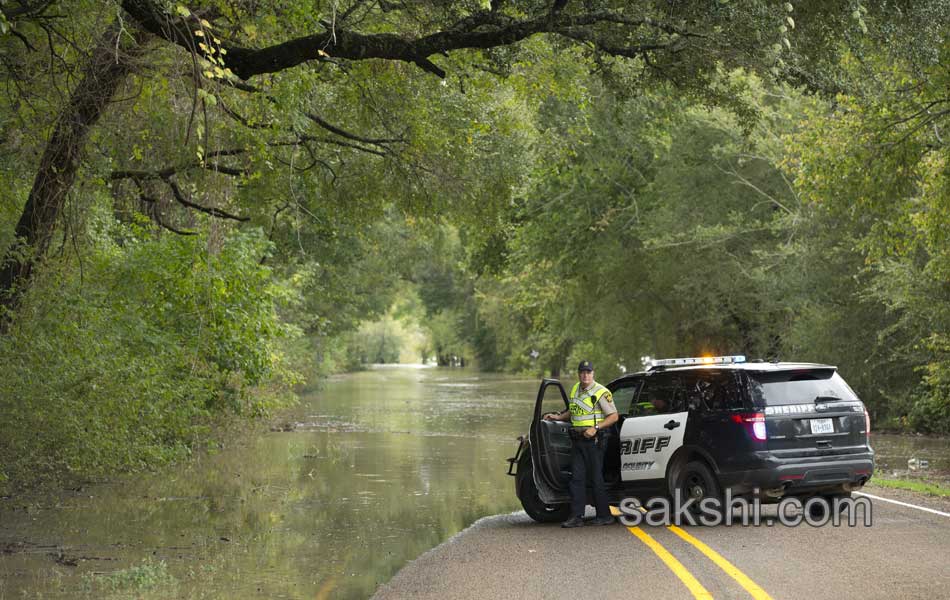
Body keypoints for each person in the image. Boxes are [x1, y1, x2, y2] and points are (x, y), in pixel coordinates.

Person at [543, 360, 618, 527]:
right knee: (576, 479)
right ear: (579, 373)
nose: (585, 375)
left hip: (595, 440)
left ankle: (604, 515)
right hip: (577, 440)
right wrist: (558, 417)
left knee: (595, 478)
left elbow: (614, 416)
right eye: (583, 372)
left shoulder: (600, 392)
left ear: (593, 373)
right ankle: (576, 517)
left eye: (588, 372)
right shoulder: (576, 388)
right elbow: (574, 411)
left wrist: (596, 428)